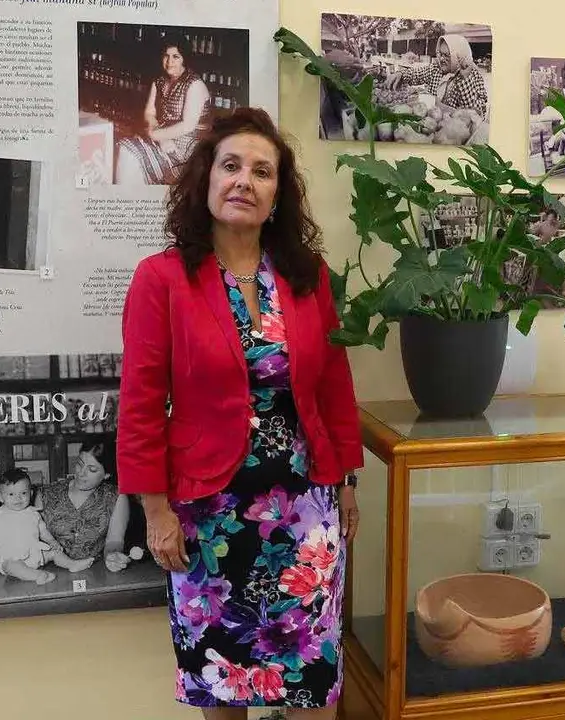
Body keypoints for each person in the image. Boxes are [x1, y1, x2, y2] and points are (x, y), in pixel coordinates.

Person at [117, 107, 362, 719]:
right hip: (207, 519)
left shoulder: (308, 280)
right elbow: (141, 404)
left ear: (278, 193)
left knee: (311, 682)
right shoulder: (162, 279)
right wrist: (154, 510)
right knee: (221, 683)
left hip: (306, 514)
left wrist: (347, 483)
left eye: (262, 171)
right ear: (205, 180)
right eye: (231, 166)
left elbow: (334, 385)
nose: (244, 181)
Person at [116, 37, 212, 185]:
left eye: (175, 57)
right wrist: (159, 136)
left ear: (184, 59)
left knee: (131, 153)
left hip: (188, 149)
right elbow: (149, 113)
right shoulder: (159, 82)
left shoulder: (195, 84)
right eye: (166, 56)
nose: (169, 61)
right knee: (126, 147)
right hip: (164, 139)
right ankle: (130, 201)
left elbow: (188, 126)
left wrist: (155, 134)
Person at [0, 468, 95, 585]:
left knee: (55, 553)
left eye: (23, 493)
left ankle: (72, 564)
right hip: (9, 559)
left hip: (35, 555)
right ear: (0, 497)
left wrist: (52, 542)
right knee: (13, 566)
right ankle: (38, 575)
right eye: (11, 494)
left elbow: (43, 531)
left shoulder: (33, 513)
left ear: (31, 493)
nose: (18, 498)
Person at [36, 440, 134, 573]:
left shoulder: (116, 497)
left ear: (107, 474)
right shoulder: (46, 494)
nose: (81, 473)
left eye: (92, 469)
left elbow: (114, 541)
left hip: (94, 572)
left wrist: (113, 556)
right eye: (79, 464)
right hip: (48, 573)